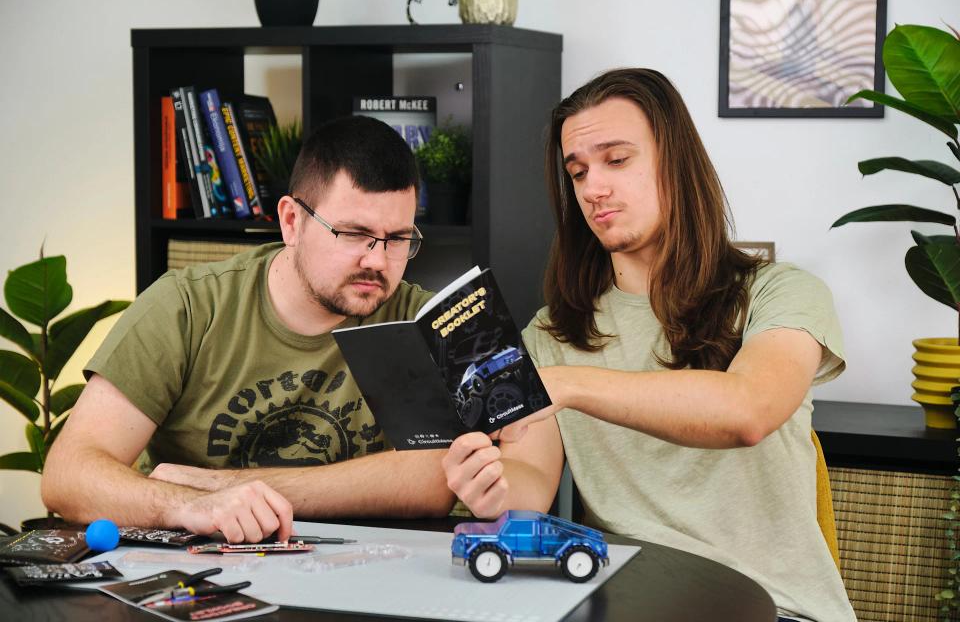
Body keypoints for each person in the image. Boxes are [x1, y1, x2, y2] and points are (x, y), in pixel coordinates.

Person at [442, 69, 855, 622]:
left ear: (676, 165)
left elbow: (748, 411)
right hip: (631, 605)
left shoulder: (780, 294)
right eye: (579, 171)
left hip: (777, 610)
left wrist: (565, 385)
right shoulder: (550, 334)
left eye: (617, 160)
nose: (593, 188)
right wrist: (493, 490)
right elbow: (532, 482)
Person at [43, 116, 456, 543]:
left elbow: (432, 482)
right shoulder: (187, 308)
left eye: (398, 239)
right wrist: (186, 504)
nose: (377, 260)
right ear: (291, 221)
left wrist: (215, 485)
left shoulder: (420, 318)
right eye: (353, 234)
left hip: (359, 572)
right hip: (202, 574)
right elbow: (68, 476)